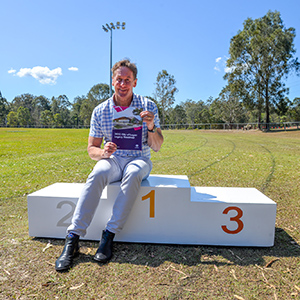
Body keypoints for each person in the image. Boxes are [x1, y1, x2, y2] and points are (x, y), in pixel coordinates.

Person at [55, 59, 164, 271]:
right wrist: (103, 152)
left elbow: (157, 145)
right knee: (98, 173)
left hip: (139, 158)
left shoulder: (148, 105)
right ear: (112, 81)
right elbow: (91, 149)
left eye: (128, 80)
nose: (123, 84)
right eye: (119, 79)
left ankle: (108, 235)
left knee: (133, 173)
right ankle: (73, 238)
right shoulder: (100, 110)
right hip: (113, 159)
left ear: (135, 82)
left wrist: (150, 126)